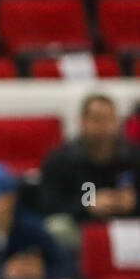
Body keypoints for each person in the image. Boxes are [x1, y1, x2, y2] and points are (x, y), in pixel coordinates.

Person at [40, 93, 140, 225]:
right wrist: (87, 206)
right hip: (79, 227)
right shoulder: (60, 160)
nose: (105, 126)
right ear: (82, 122)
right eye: (97, 119)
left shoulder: (134, 156)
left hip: (129, 226)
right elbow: (48, 206)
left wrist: (134, 202)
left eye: (110, 119)